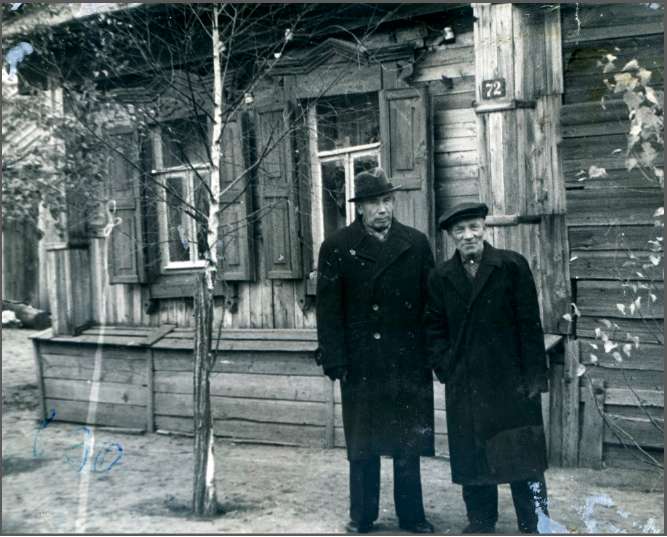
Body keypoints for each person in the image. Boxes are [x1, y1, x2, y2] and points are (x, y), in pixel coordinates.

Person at [316, 168, 436, 534]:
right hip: (362, 362)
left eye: (387, 201)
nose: (382, 209)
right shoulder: (337, 247)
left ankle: (412, 517)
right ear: (359, 207)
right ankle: (362, 517)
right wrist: (336, 359)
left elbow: (431, 305)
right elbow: (328, 311)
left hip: (407, 360)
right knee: (363, 445)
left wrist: (430, 354)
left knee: (407, 443)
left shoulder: (415, 243)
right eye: (373, 203)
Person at [424, 202, 550, 534]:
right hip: (466, 384)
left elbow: (530, 325)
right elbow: (434, 330)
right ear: (451, 236)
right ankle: (480, 521)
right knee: (473, 457)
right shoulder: (440, 277)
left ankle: (535, 522)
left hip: (512, 382)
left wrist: (534, 377)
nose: (468, 235)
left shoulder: (511, 266)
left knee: (523, 456)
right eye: (460, 230)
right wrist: (447, 368)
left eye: (474, 227)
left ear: (484, 228)